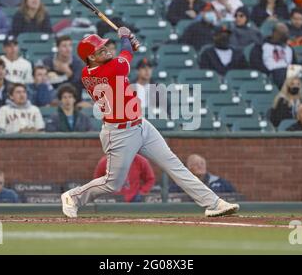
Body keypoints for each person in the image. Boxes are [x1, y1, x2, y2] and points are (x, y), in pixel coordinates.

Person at [61, 27, 239, 218]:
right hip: (119, 134)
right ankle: (73, 197)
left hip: (140, 125)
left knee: (174, 164)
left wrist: (129, 43)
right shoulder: (111, 69)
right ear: (92, 58)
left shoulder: (89, 71)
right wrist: (126, 38)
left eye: (105, 47)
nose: (105, 50)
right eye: (100, 50)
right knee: (113, 183)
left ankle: (213, 203)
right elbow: (125, 55)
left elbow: (124, 55)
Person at [250, 22, 297, 88]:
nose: (285, 37)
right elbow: (256, 63)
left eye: (286, 35)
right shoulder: (261, 46)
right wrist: (268, 73)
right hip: (271, 74)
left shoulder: (289, 48)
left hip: (287, 74)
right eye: (282, 35)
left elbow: (294, 65)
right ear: (275, 33)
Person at [43, 35, 84, 100]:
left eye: (70, 45)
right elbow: (45, 82)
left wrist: (69, 73)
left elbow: (76, 84)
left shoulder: (77, 63)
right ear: (57, 48)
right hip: (52, 97)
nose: (68, 49)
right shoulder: (48, 61)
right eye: (64, 46)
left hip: (73, 97)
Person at [169, 154, 237, 193]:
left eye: (202, 163)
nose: (200, 166)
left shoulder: (220, 182)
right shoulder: (180, 183)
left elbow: (236, 197)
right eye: (195, 164)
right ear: (188, 168)